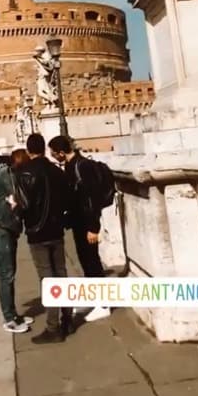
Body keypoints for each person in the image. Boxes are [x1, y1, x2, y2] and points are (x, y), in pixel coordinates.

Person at [14, 133, 73, 344]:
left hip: (37, 233)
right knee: (61, 273)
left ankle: (53, 327)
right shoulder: (57, 172)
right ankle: (68, 317)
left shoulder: (24, 173)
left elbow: (23, 205)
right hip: (56, 231)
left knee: (48, 280)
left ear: (29, 150)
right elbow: (68, 200)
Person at [49, 136, 110, 322]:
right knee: (86, 261)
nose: (52, 157)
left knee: (93, 262)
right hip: (78, 222)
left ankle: (104, 304)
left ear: (61, 152)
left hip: (87, 223)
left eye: (53, 153)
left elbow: (92, 199)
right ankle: (95, 298)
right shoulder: (70, 165)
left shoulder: (82, 166)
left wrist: (93, 227)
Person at [0, 148, 32, 334]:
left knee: (9, 272)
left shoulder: (12, 175)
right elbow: (20, 200)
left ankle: (12, 313)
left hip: (6, 228)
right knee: (6, 273)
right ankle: (9, 319)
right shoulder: (7, 176)